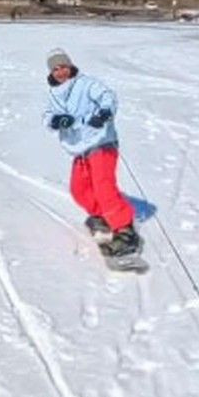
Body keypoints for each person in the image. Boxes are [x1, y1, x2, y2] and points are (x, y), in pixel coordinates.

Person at [43, 48, 140, 257]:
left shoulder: (86, 84)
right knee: (79, 189)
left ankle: (125, 230)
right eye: (55, 69)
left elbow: (107, 96)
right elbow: (48, 115)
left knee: (104, 186)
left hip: (101, 142)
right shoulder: (54, 94)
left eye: (63, 67)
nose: (60, 72)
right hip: (80, 148)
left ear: (70, 66)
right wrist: (56, 120)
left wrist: (104, 112)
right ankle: (102, 215)